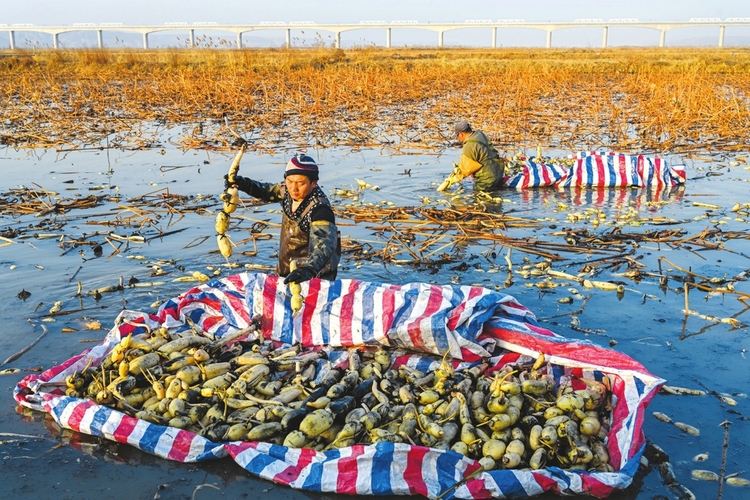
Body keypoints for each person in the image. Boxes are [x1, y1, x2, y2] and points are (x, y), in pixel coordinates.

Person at [227, 154, 341, 284]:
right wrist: (242, 184)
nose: (294, 188)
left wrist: (309, 270)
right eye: (290, 181)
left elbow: (324, 243)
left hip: (314, 274)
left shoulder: (320, 210)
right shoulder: (286, 192)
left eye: (300, 183)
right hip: (287, 266)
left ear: (314, 183)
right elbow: (266, 191)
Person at [441, 120, 505, 192]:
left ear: (461, 134)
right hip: (498, 171)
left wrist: (453, 179)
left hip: (487, 178)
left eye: (457, 136)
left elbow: (465, 170)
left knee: (480, 197)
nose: (458, 139)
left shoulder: (469, 146)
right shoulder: (479, 134)